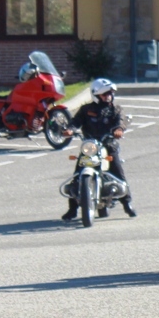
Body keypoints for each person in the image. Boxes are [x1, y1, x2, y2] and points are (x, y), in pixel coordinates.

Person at [60, 78, 136, 220]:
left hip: (108, 145)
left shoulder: (115, 109)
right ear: (96, 95)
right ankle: (73, 209)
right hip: (89, 146)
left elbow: (121, 120)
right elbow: (75, 122)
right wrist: (70, 129)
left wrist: (119, 129)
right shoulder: (86, 110)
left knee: (118, 172)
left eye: (110, 93)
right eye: (105, 93)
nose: (108, 96)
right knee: (77, 174)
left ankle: (127, 204)